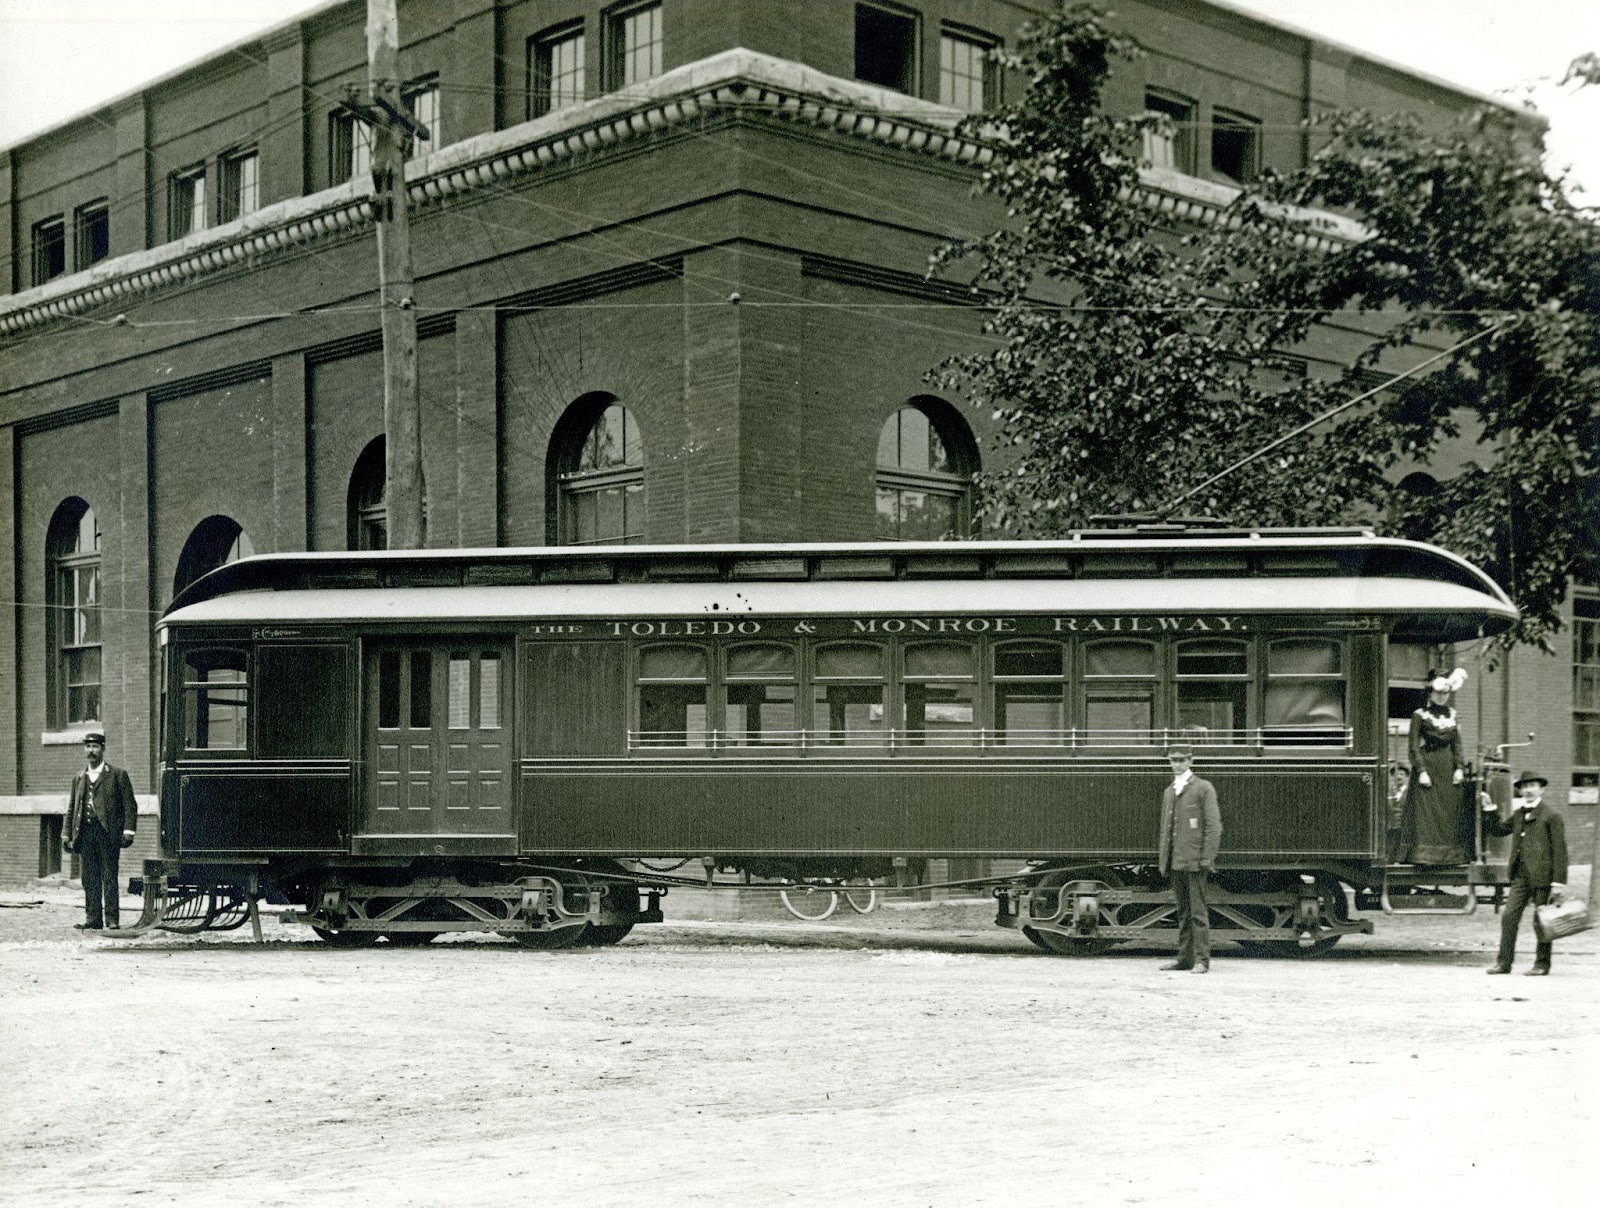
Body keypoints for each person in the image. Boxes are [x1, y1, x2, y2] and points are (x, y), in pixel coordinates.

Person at [1483, 771, 1568, 976]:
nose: (1528, 790)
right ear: (1520, 790)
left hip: (1543, 878)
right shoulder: (1520, 814)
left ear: (1541, 789)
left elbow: (1560, 851)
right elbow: (1499, 830)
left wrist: (1558, 883)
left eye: (1533, 786)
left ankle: (1542, 964)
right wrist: (1489, 807)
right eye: (1524, 787)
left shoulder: (1551, 815)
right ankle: (1503, 963)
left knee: (1542, 921)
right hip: (1520, 876)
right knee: (1509, 917)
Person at [1157, 741, 1223, 973]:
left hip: (1195, 862)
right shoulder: (1169, 791)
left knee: (1198, 913)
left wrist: (1206, 859)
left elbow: (1214, 827)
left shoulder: (1203, 788)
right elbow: (1166, 830)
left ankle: (1201, 960)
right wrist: (1164, 861)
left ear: (1190, 761)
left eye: (1181, 760)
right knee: (1183, 913)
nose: (1176, 764)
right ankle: (1183, 958)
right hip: (1176, 861)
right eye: (1173, 760)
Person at [62, 731, 138, 931]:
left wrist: (128, 832)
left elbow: (130, 806)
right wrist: (66, 833)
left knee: (109, 877)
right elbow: (72, 808)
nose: (91, 751)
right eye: (88, 747)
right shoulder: (78, 778)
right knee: (89, 878)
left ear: (103, 749)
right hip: (85, 833)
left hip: (108, 834)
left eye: (95, 747)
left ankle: (112, 920)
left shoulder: (117, 775)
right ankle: (93, 919)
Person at [1397, 668, 1469, 864]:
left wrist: (1460, 768)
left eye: (1445, 693)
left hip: (1448, 769)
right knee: (1427, 815)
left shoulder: (1453, 715)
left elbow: (1457, 744)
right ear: (1430, 692)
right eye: (1438, 692)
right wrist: (1421, 770)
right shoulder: (1419, 715)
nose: (1441, 696)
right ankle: (1424, 857)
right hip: (1428, 768)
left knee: (1449, 813)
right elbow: (1413, 746)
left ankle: (1449, 857)